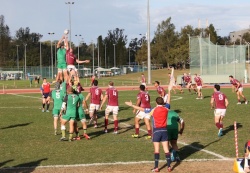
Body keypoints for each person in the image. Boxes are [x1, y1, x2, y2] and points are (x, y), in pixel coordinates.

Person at [125, 97, 171, 172]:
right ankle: (169, 166)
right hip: (165, 130)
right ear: (163, 103)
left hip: (156, 131)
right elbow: (168, 103)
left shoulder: (153, 110)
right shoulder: (166, 109)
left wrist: (132, 105)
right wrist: (169, 91)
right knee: (166, 149)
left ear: (156, 103)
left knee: (157, 150)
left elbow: (142, 109)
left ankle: (156, 167)